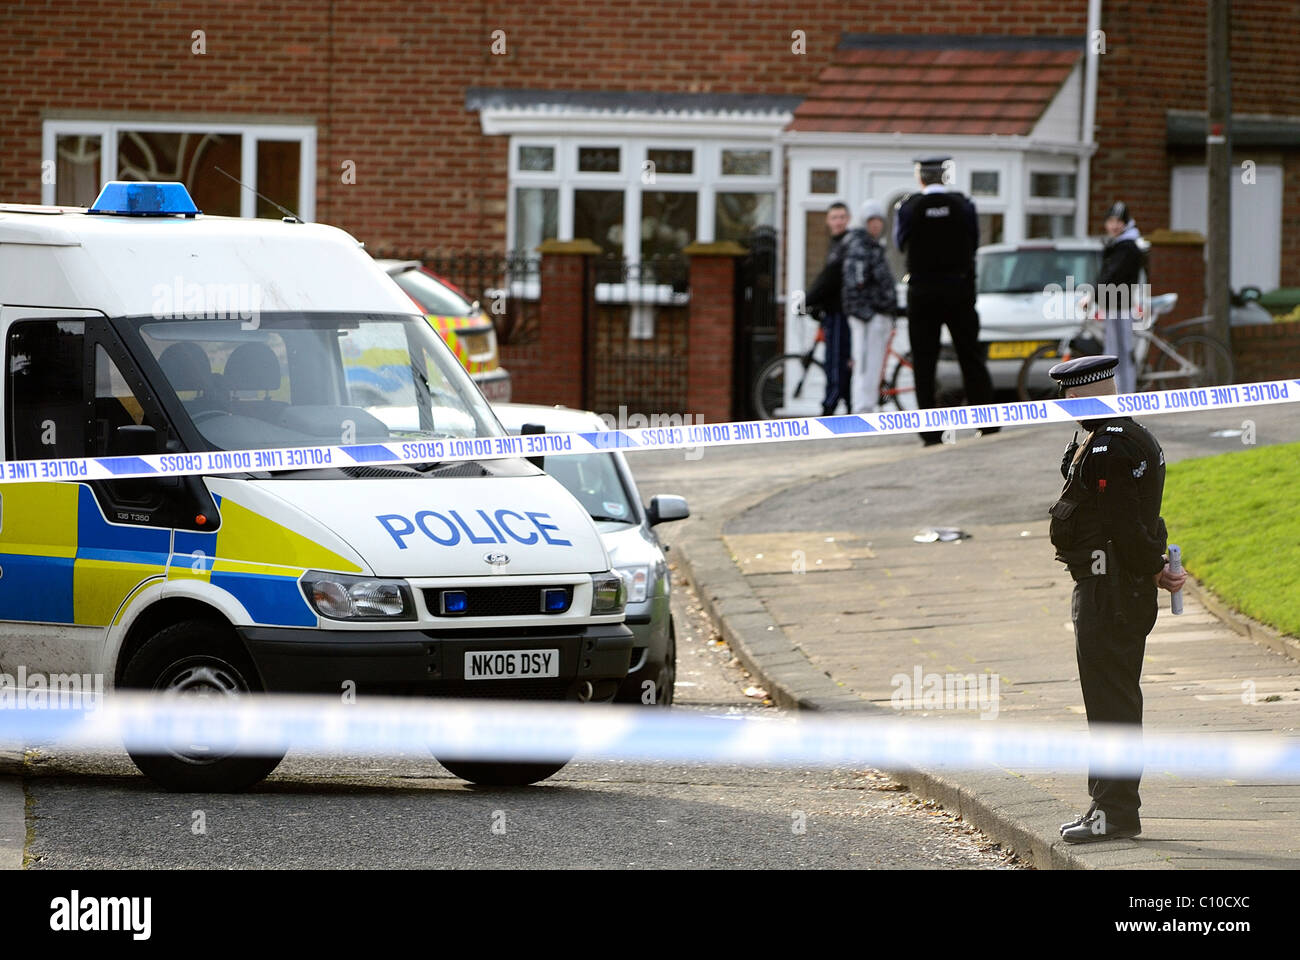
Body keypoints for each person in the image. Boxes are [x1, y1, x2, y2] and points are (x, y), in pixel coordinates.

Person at [1047, 354, 1187, 843]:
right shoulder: (1124, 433)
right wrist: (1152, 567)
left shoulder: (1108, 446)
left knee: (1111, 703)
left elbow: (1122, 525)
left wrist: (1153, 568)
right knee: (1112, 699)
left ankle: (1115, 812)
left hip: (1111, 591)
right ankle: (1107, 806)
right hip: (1113, 585)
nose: (1063, 408)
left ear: (1084, 395)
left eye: (1067, 399)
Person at [894, 156, 996, 445]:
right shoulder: (963, 205)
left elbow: (900, 242)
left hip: (922, 293)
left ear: (921, 179)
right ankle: (987, 423)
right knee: (970, 356)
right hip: (958, 290)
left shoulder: (908, 207)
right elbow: (974, 242)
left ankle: (930, 432)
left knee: (924, 362)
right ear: (945, 177)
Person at [842, 200, 899, 413]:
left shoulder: (874, 246)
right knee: (865, 363)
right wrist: (867, 315)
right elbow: (855, 284)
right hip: (869, 317)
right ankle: (863, 407)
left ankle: (869, 404)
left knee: (874, 363)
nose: (876, 225)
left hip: (878, 315)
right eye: (871, 221)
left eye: (879, 221)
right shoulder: (860, 247)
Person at [804, 202, 853, 415]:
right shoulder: (835, 244)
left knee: (836, 362)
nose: (839, 221)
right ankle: (849, 405)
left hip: (841, 312)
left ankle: (829, 406)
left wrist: (808, 300)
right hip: (833, 311)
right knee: (841, 361)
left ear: (848, 218)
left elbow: (830, 278)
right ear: (828, 221)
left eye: (842, 217)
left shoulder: (846, 244)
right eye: (834, 217)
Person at [1095, 202, 1146, 395]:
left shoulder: (1126, 246)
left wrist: (1092, 295)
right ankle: (1119, 394)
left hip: (1120, 305)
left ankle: (1123, 397)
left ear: (1125, 223)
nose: (1114, 225)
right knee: (1116, 352)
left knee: (1119, 355)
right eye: (1111, 221)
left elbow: (1111, 275)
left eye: (1118, 221)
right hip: (1114, 304)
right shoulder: (1120, 244)